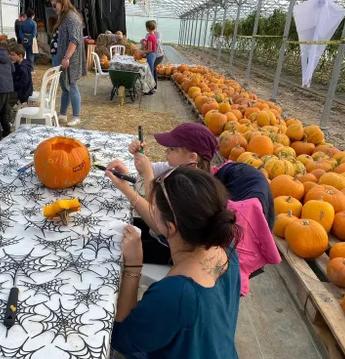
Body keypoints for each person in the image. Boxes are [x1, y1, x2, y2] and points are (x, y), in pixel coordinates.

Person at [106, 123, 280, 296]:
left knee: (115, 248)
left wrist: (130, 188)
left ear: (191, 157)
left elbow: (157, 218)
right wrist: (140, 162)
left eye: (172, 149)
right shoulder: (182, 173)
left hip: (177, 249)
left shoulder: (191, 193)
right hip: (171, 235)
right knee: (119, 228)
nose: (166, 151)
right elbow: (149, 172)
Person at [109, 166, 241, 358]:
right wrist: (126, 188)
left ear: (170, 227)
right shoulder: (226, 249)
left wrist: (133, 267)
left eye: (153, 208)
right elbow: (169, 228)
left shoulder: (176, 294)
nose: (151, 210)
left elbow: (122, 338)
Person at [51, 0, 86, 127]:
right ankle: (63, 114)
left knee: (72, 86)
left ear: (62, 2)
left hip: (72, 58)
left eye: (55, 5)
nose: (54, 9)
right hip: (65, 58)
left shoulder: (71, 17)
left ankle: (76, 116)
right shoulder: (65, 17)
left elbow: (75, 40)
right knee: (65, 86)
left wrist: (66, 57)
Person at [140, 21, 157, 95]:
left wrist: (141, 52)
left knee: (150, 72)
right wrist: (146, 42)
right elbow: (152, 46)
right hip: (153, 55)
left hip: (150, 55)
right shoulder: (153, 35)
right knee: (151, 71)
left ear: (147, 28)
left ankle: (151, 89)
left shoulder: (150, 37)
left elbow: (149, 49)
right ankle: (151, 88)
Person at [150, 21, 164, 90]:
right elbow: (146, 45)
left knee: (152, 69)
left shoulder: (158, 34)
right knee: (153, 69)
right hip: (152, 55)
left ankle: (152, 87)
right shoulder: (148, 35)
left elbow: (157, 42)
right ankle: (154, 86)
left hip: (159, 56)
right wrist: (143, 42)